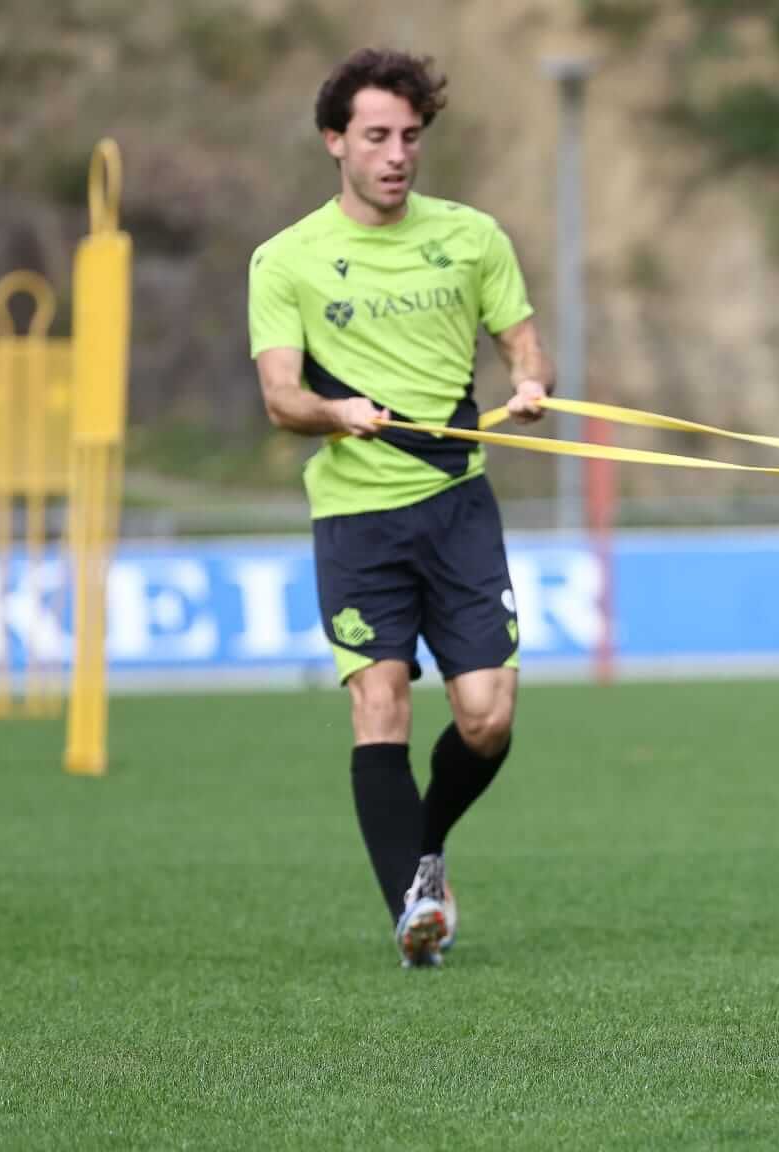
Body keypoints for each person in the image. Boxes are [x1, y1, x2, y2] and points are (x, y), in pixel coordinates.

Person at [248, 48, 554, 966]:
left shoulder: (471, 236)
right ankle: (412, 908)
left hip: (458, 507)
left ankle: (421, 848)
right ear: (334, 141)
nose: (395, 155)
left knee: (486, 717)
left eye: (410, 136)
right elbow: (279, 396)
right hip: (355, 519)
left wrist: (531, 386)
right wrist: (333, 412)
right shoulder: (287, 258)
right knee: (378, 705)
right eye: (376, 136)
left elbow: (524, 348)